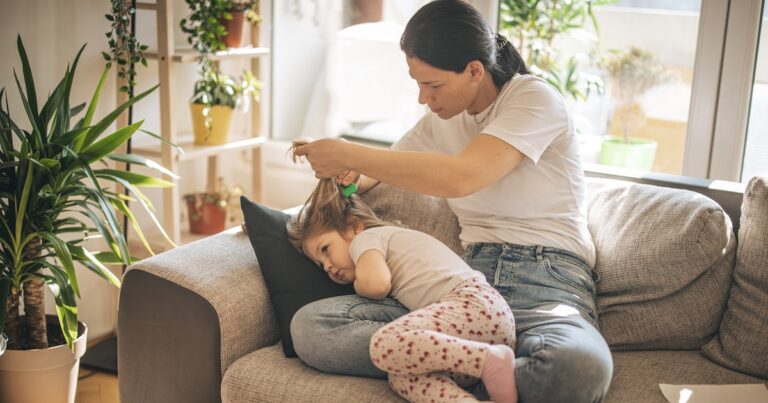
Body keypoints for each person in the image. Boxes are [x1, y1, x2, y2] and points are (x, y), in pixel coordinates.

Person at [290, 1, 614, 402]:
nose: (424, 98)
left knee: (578, 370)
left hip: (548, 280)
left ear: (475, 71)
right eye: (418, 83)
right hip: (462, 284)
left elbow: (465, 176)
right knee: (311, 328)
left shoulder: (533, 99)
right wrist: (332, 180)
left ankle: (446, 367)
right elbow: (375, 174)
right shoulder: (440, 120)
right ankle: (480, 367)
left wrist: (350, 152)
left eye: (434, 85)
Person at [286, 177, 518, 403]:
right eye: (319, 264)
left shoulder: (367, 239)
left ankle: (488, 360)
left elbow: (376, 285)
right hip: (483, 328)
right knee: (401, 376)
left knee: (384, 343)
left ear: (354, 227)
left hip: (472, 303)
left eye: (325, 250)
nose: (327, 266)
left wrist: (358, 279)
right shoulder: (380, 242)